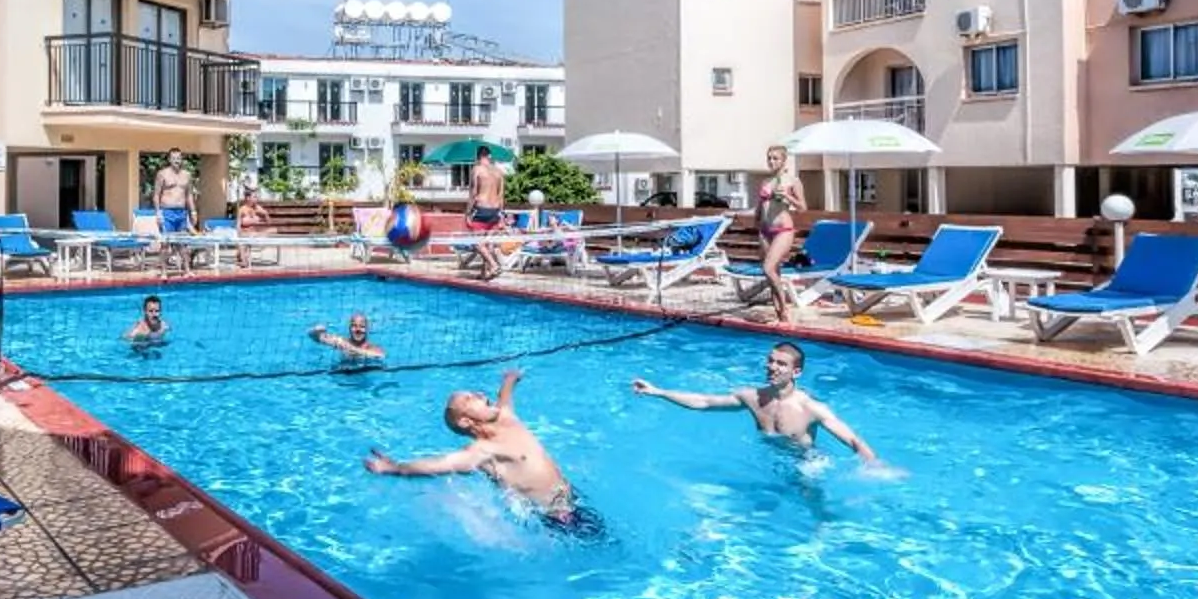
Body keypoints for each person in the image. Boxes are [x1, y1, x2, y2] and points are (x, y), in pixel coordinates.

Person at [365, 369, 591, 529]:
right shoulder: (482, 452)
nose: (481, 395)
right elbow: (440, 464)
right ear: (466, 421)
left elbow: (504, 399)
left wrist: (510, 379)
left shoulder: (507, 419)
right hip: (558, 519)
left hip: (572, 498)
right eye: (471, 398)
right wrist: (395, 467)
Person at [632, 342, 880, 463]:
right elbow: (704, 402)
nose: (772, 367)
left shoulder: (810, 408)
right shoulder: (752, 398)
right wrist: (658, 392)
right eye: (771, 361)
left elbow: (852, 440)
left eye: (781, 364)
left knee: (810, 500)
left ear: (797, 372)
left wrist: (874, 465)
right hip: (768, 459)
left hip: (805, 464)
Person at [750, 144, 807, 325]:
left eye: (775, 158)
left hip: (783, 229)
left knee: (768, 268)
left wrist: (788, 197)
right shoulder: (765, 182)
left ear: (784, 160)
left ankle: (784, 310)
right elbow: (760, 206)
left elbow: (803, 207)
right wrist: (756, 220)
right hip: (765, 230)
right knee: (773, 273)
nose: (771, 161)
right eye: (769, 158)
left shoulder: (792, 181)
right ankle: (778, 314)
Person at [309, 312, 386, 364]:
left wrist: (351, 348)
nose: (358, 330)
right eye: (354, 326)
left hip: (365, 372)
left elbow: (380, 355)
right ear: (349, 328)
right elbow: (314, 337)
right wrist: (316, 331)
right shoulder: (342, 342)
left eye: (362, 326)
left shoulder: (372, 347)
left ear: (367, 329)